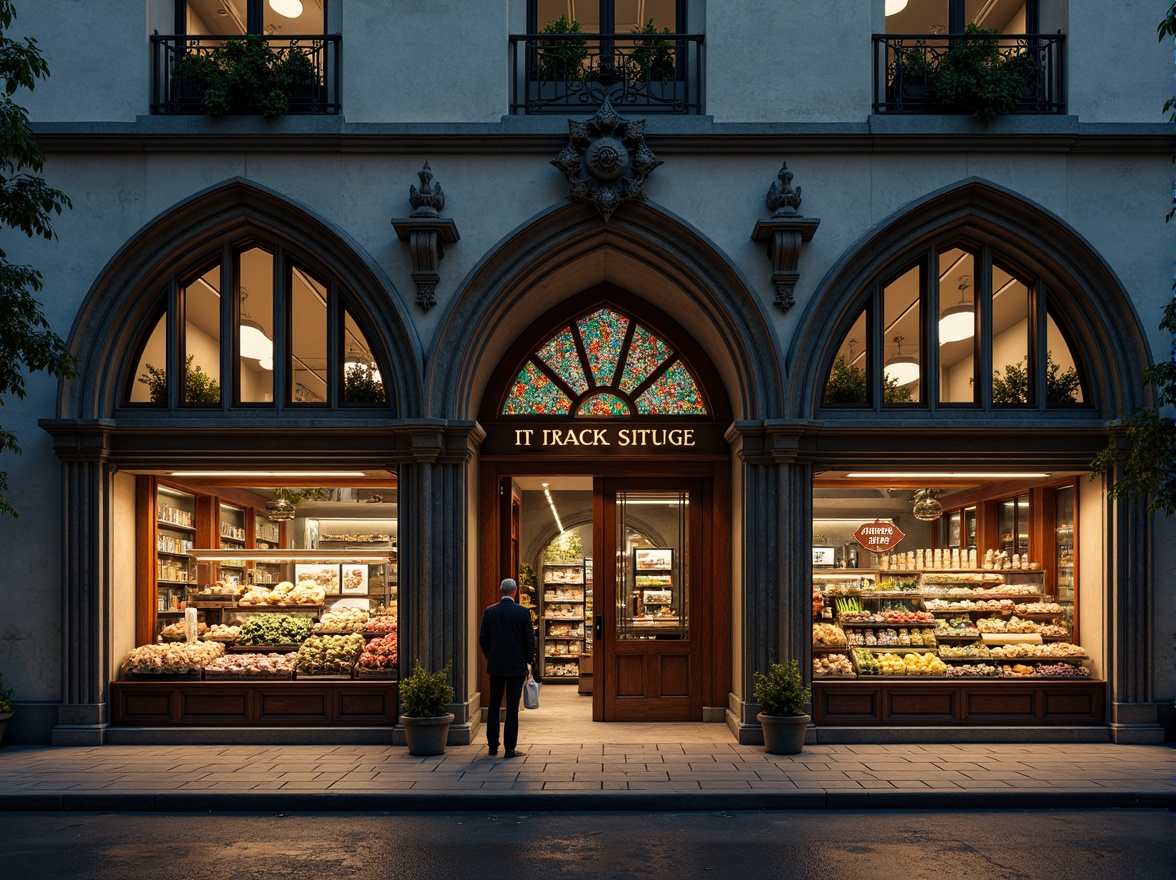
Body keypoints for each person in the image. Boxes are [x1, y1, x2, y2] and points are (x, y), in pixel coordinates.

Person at [479, 577, 535, 758]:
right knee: (512, 706)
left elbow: (483, 639)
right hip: (516, 665)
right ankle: (510, 748)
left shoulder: (490, 612)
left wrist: (491, 656)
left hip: (496, 665)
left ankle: (492, 746)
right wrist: (528, 661)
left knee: (494, 704)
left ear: (501, 591)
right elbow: (529, 641)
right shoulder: (523, 612)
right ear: (515, 591)